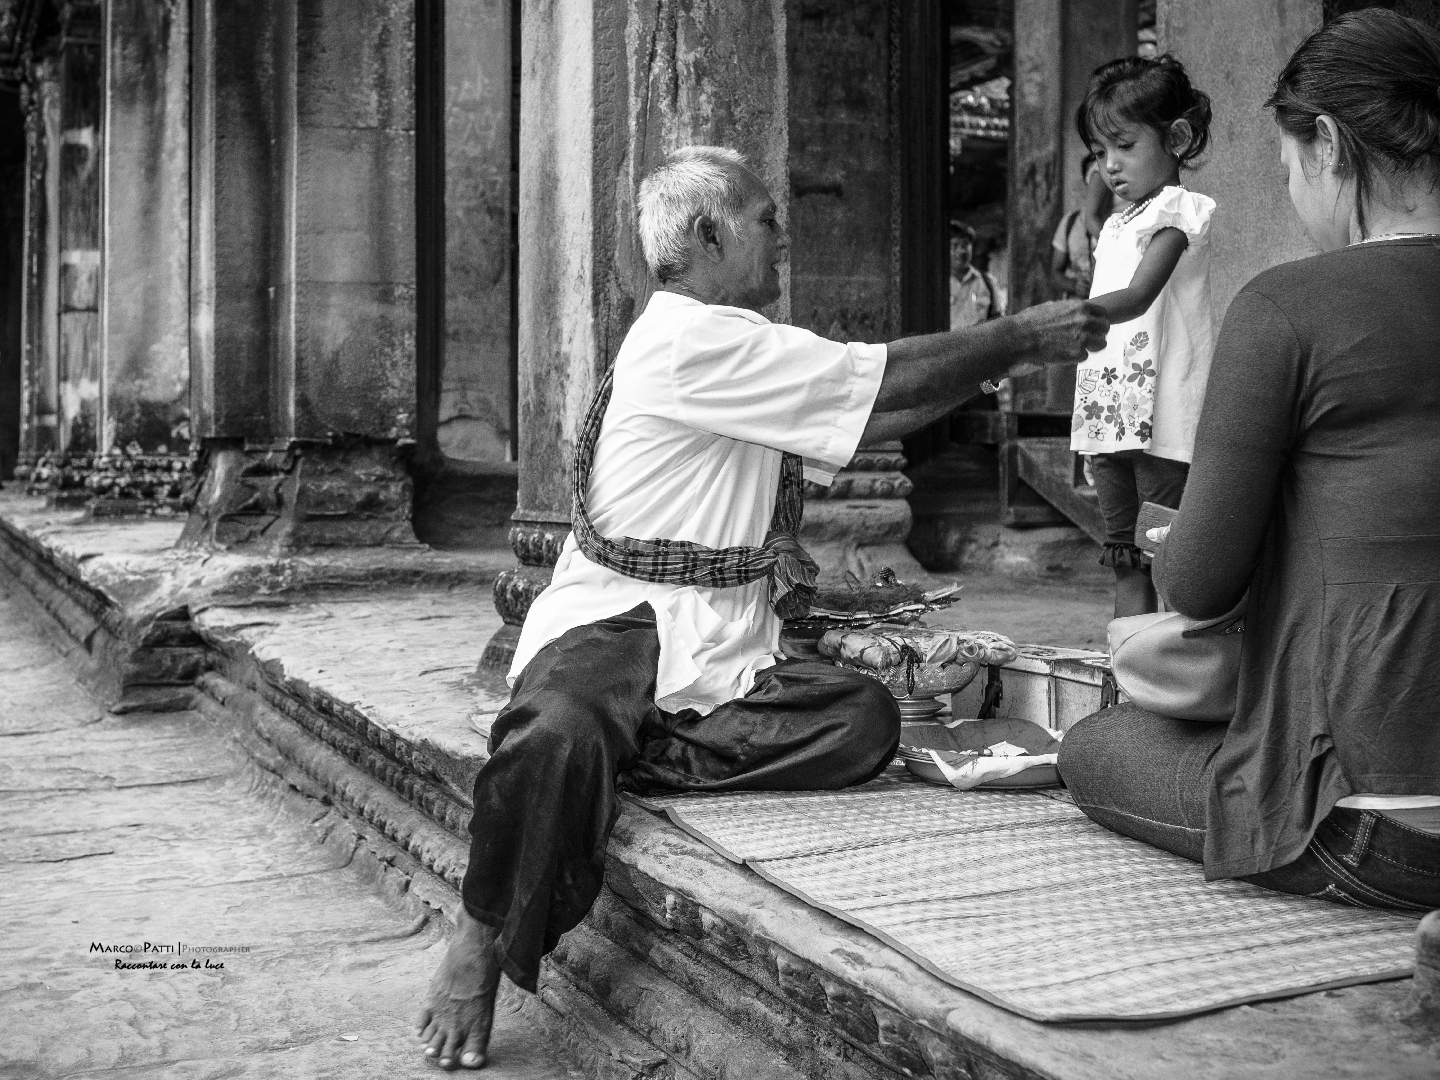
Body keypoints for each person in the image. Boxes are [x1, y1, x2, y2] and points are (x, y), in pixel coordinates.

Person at [415, 145, 1110, 1069]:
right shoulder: (692, 338)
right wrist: (1021, 335)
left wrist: (998, 362)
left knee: (860, 723)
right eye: (766, 219)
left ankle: (615, 759)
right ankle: (478, 934)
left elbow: (875, 415)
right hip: (621, 618)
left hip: (722, 637)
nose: (783, 238)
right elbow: (887, 381)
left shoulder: (727, 344)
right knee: (556, 732)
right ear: (709, 233)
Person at [1059, 8, 1440, 908]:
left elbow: (1197, 583)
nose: (1292, 193)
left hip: (1382, 824)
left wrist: (1188, 533)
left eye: (1287, 167)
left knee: (1096, 746)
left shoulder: (1288, 308)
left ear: (1332, 149)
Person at [1069, 54, 1217, 619]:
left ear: (1176, 137)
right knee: (1124, 554)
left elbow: (1136, 298)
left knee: (1164, 553)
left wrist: (1055, 320)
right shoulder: (1117, 221)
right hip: (1109, 413)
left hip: (1161, 419)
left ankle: (1172, 682)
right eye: (1101, 153)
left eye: (1124, 146)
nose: (1110, 166)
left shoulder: (1179, 214)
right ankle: (1128, 676)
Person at [1050, 154, 1115, 299]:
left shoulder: (1123, 220)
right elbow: (1054, 274)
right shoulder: (1070, 222)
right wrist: (1075, 286)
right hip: (1078, 307)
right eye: (1093, 176)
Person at [950, 220, 1001, 328]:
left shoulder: (987, 282)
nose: (961, 251)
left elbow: (998, 321)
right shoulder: (936, 286)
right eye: (955, 245)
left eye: (965, 245)